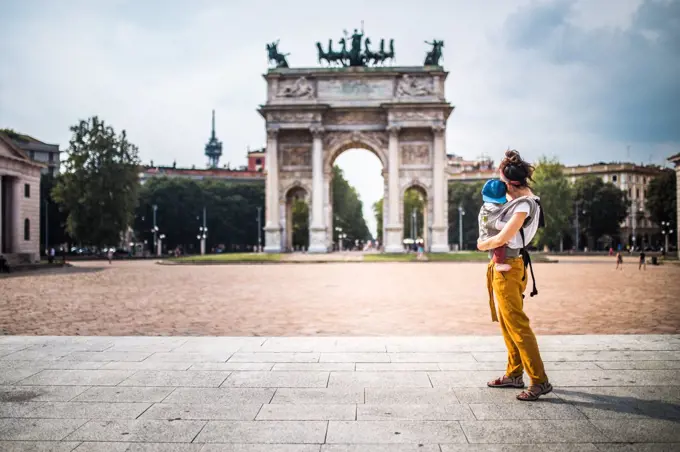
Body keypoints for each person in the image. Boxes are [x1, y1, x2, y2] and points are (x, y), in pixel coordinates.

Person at [477, 149, 552, 402]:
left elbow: (502, 237)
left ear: (511, 184)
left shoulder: (524, 205)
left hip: (510, 266)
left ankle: (539, 380)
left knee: (517, 324)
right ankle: (514, 372)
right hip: (506, 266)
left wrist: (481, 244)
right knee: (508, 323)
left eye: (502, 182)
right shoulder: (520, 202)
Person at [478, 179, 512, 272]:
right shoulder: (493, 209)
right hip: (489, 235)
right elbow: (497, 224)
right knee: (500, 243)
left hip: (484, 233)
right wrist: (512, 225)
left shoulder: (486, 207)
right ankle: (498, 264)